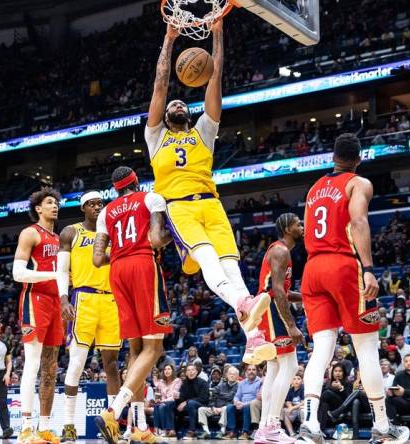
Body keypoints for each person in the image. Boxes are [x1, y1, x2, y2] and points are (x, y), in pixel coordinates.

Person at [144, 20, 272, 361]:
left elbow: (215, 76)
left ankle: (254, 337)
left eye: (180, 103)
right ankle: (245, 307)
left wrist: (217, 32)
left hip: (212, 205)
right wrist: (169, 40)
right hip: (179, 207)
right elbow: (159, 86)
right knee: (209, 260)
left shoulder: (205, 130)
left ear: (189, 112)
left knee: (232, 268)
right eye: (171, 104)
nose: (175, 104)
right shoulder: (156, 138)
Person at [298, 133, 409, 444]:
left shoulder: (314, 188)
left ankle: (310, 425)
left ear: (333, 157)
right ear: (359, 159)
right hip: (342, 265)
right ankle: (383, 427)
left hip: (312, 268)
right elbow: (358, 222)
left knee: (321, 350)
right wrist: (369, 269)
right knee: (366, 349)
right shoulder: (358, 183)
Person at [92, 167, 173, 444]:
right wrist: (176, 236)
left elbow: (97, 258)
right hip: (142, 266)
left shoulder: (105, 213)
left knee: (136, 350)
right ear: (136, 181)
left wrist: (120, 251)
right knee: (155, 347)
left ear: (115, 189)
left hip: (117, 270)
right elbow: (155, 238)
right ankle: (113, 412)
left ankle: (139, 427)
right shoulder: (150, 198)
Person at [58, 189, 123, 442]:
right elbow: (62, 271)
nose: (97, 207)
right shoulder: (71, 232)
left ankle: (112, 424)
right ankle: (68, 425)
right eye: (92, 204)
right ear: (83, 208)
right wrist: (64, 299)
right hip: (83, 298)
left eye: (100, 203)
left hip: (111, 300)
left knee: (112, 366)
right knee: (76, 364)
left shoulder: (112, 234)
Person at [12, 187, 62, 444]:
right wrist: (55, 276)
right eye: (50, 202)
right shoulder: (30, 233)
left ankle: (44, 427)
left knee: (51, 368)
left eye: (57, 202)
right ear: (38, 208)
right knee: (32, 363)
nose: (55, 206)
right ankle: (25, 428)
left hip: (55, 303)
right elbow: (18, 274)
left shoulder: (59, 239)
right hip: (35, 300)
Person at [252, 213, 305, 444]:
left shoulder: (282, 251)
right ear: (286, 228)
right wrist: (292, 325)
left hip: (268, 307)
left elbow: (282, 289)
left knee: (274, 368)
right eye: (297, 224)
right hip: (271, 308)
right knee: (291, 364)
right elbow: (277, 290)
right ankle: (272, 425)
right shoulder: (281, 250)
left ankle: (264, 429)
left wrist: (306, 297)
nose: (301, 226)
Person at [198, 366, 238, 438]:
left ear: (237, 376)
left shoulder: (238, 386)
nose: (232, 375)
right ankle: (206, 431)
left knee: (226, 408)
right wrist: (213, 407)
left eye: (234, 374)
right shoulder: (221, 385)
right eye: (230, 374)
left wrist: (222, 406)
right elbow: (213, 397)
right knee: (201, 409)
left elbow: (232, 399)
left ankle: (222, 431)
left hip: (226, 408)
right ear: (227, 375)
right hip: (216, 408)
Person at [225, 365, 262, 440]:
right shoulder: (242, 383)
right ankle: (232, 432)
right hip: (241, 404)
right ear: (246, 371)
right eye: (249, 369)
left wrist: (243, 404)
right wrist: (236, 401)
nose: (251, 371)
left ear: (257, 372)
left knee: (247, 406)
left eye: (253, 369)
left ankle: (245, 432)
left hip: (251, 405)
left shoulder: (260, 382)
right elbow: (237, 395)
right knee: (229, 407)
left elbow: (257, 399)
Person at [176, 364, 210, 440]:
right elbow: (182, 397)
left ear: (196, 372)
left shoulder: (203, 383)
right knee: (171, 404)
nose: (191, 372)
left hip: (201, 405)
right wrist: (178, 399)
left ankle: (192, 431)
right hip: (188, 405)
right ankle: (171, 430)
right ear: (186, 373)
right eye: (189, 370)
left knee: (191, 403)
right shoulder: (184, 383)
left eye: (192, 370)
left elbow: (203, 398)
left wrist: (186, 402)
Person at [154, 364, 182, 438]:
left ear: (172, 371)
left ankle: (165, 430)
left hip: (174, 402)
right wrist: (158, 400)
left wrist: (162, 401)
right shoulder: (161, 382)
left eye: (169, 369)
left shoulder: (177, 381)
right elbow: (159, 393)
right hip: (164, 402)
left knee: (162, 406)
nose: (167, 371)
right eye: (165, 369)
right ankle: (156, 429)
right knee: (157, 406)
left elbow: (174, 396)